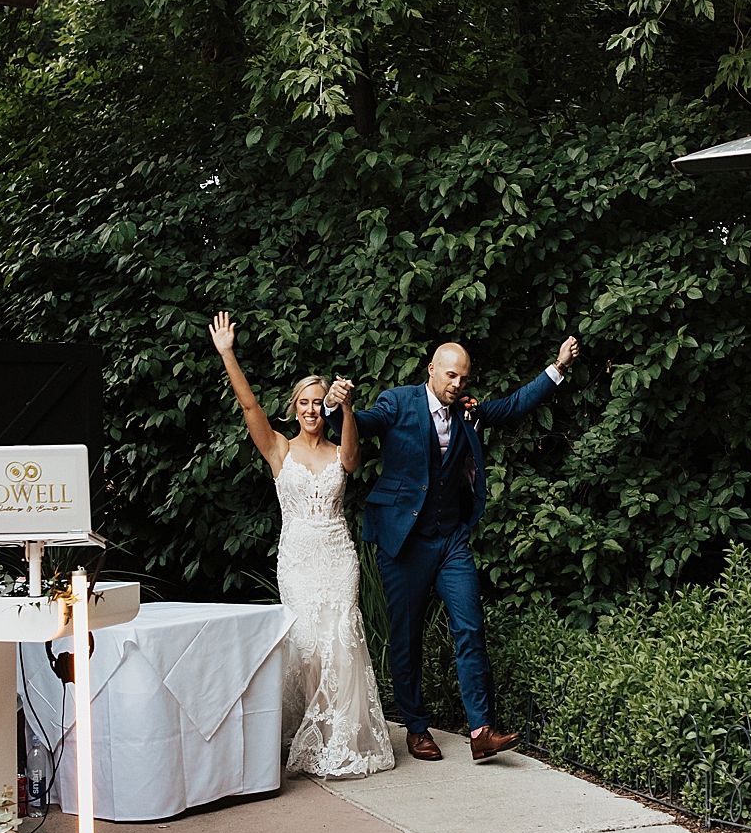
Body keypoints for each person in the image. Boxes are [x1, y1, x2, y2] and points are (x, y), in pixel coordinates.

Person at [331, 335, 578, 763]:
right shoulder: (398, 402)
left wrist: (557, 367)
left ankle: (481, 731)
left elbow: (513, 405)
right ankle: (416, 727)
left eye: (463, 378)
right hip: (404, 541)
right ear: (431, 369)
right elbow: (358, 426)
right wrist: (339, 407)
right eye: (450, 375)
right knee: (406, 637)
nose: (457, 384)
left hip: (450, 539)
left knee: (470, 626)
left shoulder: (468, 411)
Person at [208, 310, 392, 779]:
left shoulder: (338, 451)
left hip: (337, 556)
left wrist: (347, 408)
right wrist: (227, 354)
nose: (311, 410)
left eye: (317, 403)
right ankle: (306, 731)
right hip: (297, 559)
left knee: (341, 642)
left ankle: (341, 739)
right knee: (306, 645)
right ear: (294, 409)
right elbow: (250, 407)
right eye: (304, 403)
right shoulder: (279, 449)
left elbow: (353, 459)